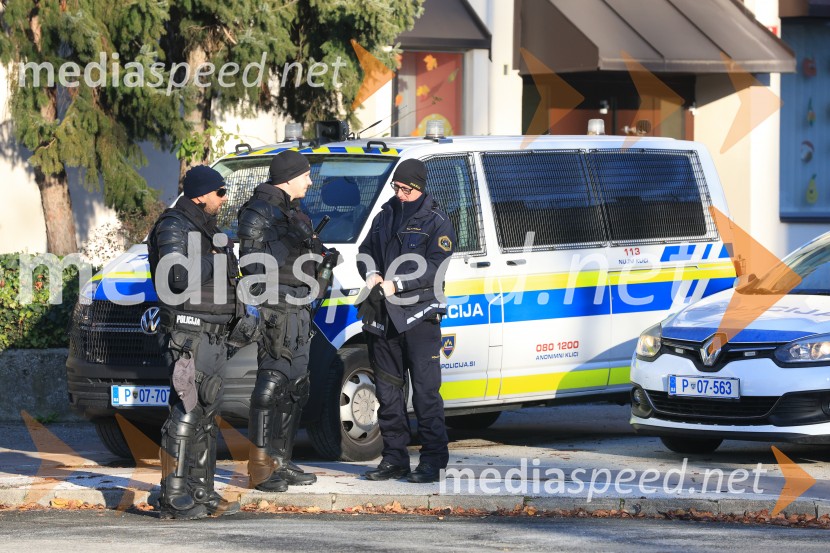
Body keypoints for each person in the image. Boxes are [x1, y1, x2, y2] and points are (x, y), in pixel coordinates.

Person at [147, 165, 240, 520]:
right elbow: (175, 276)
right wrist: (215, 258)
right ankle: (172, 493)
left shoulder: (205, 227)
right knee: (186, 410)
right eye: (219, 192)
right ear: (200, 194)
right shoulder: (173, 225)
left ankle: (201, 490)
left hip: (214, 332)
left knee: (206, 412)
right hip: (187, 332)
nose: (224, 198)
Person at [356, 158, 456, 483]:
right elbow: (365, 250)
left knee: (426, 394)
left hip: (420, 317)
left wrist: (397, 284)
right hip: (383, 316)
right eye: (396, 187)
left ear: (419, 188)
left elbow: (434, 267)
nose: (399, 193)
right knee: (388, 392)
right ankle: (394, 458)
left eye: (405, 188)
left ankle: (432, 461)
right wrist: (370, 273)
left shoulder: (437, 221)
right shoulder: (385, 214)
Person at [237, 150, 325, 492]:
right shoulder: (260, 211)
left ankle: (281, 461)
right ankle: (260, 467)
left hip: (300, 309)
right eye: (305, 175)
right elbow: (254, 267)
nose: (310, 180)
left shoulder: (292, 210)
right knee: (271, 385)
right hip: (278, 309)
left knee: (295, 388)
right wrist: (270, 305)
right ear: (289, 177)